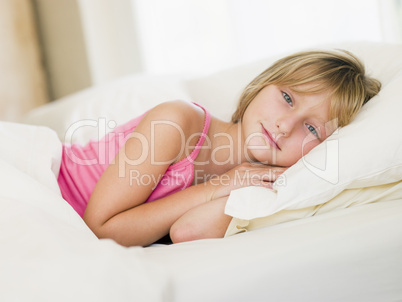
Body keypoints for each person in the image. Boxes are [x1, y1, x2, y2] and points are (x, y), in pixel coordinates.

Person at [58, 49, 381, 247]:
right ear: (261, 85)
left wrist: (229, 187)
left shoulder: (257, 182)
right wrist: (219, 185)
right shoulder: (178, 122)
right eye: (287, 98)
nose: (285, 125)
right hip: (49, 188)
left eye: (311, 129)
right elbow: (101, 230)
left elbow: (186, 231)